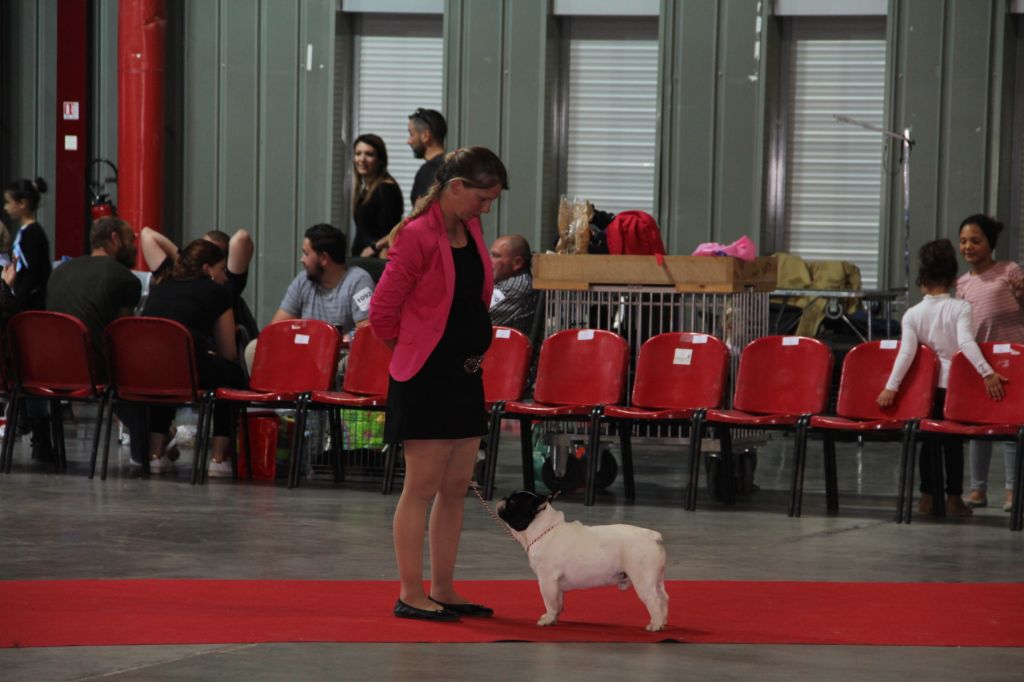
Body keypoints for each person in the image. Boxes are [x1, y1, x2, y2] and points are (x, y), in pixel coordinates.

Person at [370, 146, 507, 621]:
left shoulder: (470, 228)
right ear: (456, 187)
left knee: (455, 487)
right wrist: (414, 351)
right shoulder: (416, 236)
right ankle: (410, 592)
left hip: (465, 374)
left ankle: (443, 587)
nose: (485, 209)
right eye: (482, 199)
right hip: (426, 377)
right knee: (422, 486)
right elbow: (381, 313)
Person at [877, 238, 1005, 517]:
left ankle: (926, 497)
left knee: (929, 441)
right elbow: (966, 344)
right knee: (952, 443)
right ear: (952, 279)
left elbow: (906, 354)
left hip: (925, 391)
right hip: (952, 389)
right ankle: (954, 499)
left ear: (922, 280)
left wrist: (890, 387)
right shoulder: (961, 308)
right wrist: (988, 372)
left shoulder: (912, 314)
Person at [46, 217, 147, 465]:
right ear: (114, 239)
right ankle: (147, 451)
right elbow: (122, 337)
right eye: (130, 239)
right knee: (131, 373)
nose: (135, 246)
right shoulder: (125, 278)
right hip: (92, 370)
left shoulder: (59, 271)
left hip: (45, 369)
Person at [142, 240, 245, 476]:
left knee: (165, 373)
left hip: (148, 372)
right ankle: (218, 459)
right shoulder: (218, 292)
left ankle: (155, 455)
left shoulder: (161, 286)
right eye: (221, 269)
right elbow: (228, 352)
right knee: (233, 375)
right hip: (188, 370)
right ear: (207, 268)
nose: (224, 277)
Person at [955, 214, 1024, 513]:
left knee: (1013, 427)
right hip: (981, 363)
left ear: (990, 243)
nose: (968, 247)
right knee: (977, 427)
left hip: (1013, 359)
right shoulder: (961, 284)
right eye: (963, 241)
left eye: (975, 240)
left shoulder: (1009, 271)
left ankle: (1012, 491)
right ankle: (978, 489)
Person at [2, 177, 53, 461]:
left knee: (30, 373)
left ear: (22, 204)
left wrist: (15, 299)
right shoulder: (25, 233)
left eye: (9, 202)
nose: (6, 207)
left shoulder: (34, 235)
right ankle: (25, 420)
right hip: (22, 309)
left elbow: (32, 276)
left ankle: (39, 432)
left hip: (30, 313)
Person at [140, 226, 257, 341]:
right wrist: (186, 260)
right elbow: (147, 234)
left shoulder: (225, 284)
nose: (204, 253)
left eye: (211, 252)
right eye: (201, 248)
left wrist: (187, 259)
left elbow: (241, 237)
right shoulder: (172, 277)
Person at [351, 134, 403, 258]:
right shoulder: (366, 189)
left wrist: (374, 250)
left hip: (376, 262)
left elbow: (391, 233)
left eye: (369, 154)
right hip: (362, 260)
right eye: (358, 154)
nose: (362, 159)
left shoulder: (386, 189)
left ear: (380, 161)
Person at [489, 234, 537, 335]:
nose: (489, 260)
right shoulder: (507, 281)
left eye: (496, 256)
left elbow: (472, 317)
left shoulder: (514, 287)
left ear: (517, 263)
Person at [406, 108, 447, 208]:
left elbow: (421, 210)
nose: (408, 141)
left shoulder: (429, 170)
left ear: (425, 135)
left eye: (411, 134)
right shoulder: (452, 166)